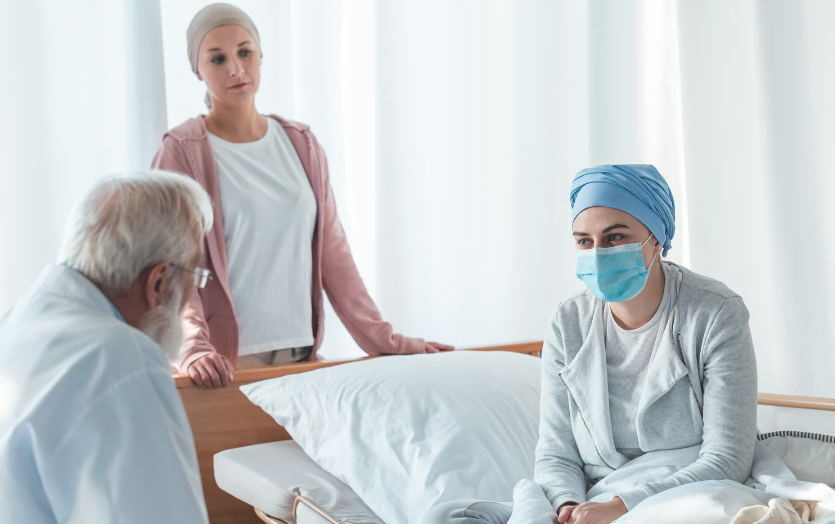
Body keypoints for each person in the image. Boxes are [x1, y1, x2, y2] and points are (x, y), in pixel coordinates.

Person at [422, 165, 757, 524]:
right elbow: (556, 456)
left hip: (681, 493)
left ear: (656, 238)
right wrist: (567, 508)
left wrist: (622, 506)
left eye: (614, 237)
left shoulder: (714, 313)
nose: (598, 253)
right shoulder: (568, 323)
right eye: (584, 241)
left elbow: (727, 459)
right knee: (446, 516)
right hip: (591, 501)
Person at [153, 3, 452, 389]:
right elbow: (174, 266)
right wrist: (193, 349)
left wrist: (384, 340)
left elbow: (334, 256)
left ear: (261, 55)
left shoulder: (300, 144)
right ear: (197, 71)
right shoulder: (182, 151)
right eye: (217, 58)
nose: (235, 68)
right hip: (221, 368)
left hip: (300, 356)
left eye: (245, 51)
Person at [0, 171, 213, 523]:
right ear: (158, 282)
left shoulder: (15, 322)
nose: (193, 293)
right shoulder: (120, 360)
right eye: (194, 275)